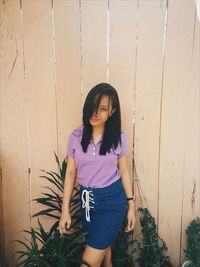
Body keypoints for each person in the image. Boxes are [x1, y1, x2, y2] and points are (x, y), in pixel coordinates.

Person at [59, 83, 136, 267]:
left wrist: (131, 205)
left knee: (89, 262)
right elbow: (70, 173)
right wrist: (65, 210)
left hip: (112, 203)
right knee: (104, 252)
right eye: (93, 106)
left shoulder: (119, 137)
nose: (95, 112)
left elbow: (124, 171)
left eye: (103, 108)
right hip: (86, 202)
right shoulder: (75, 136)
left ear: (112, 112)